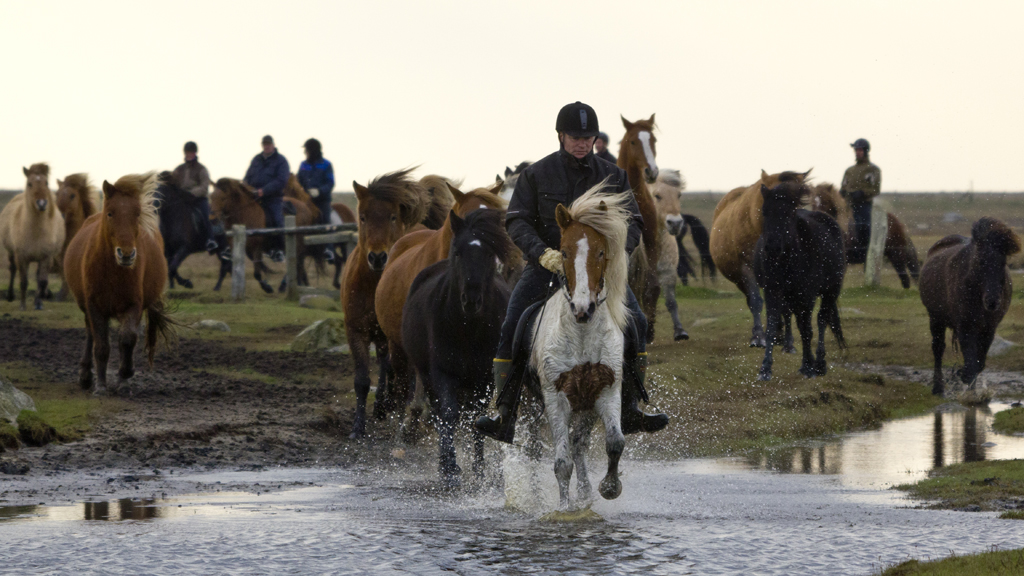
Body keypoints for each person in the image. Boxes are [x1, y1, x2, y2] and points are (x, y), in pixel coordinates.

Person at [475, 101, 669, 443]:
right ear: (561, 136)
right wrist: (542, 253)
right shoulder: (536, 174)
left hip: (597, 272)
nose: (582, 143)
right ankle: (502, 410)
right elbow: (517, 220)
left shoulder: (613, 176)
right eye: (575, 137)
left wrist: (611, 256)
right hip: (547, 266)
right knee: (513, 322)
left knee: (636, 322)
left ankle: (633, 408)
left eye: (588, 137)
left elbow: (634, 222)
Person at [243, 135, 290, 262]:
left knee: (277, 220)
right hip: (255, 198)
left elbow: (281, 180)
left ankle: (280, 249)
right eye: (265, 144)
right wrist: (245, 188)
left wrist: (264, 191)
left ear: (273, 145)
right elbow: (247, 177)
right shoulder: (256, 160)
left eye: (269, 144)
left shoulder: (281, 161)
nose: (267, 146)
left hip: (273, 199)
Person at [839, 138, 882, 262]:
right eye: (856, 150)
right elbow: (843, 186)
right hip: (848, 205)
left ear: (866, 151)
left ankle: (865, 254)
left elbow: (876, 189)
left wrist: (863, 193)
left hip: (864, 205)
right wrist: (843, 192)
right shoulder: (849, 170)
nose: (857, 152)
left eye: (859, 150)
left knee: (863, 226)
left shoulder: (873, 169)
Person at [171, 141, 218, 253]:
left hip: (198, 199)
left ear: (195, 153)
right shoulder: (179, 169)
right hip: (182, 200)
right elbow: (173, 183)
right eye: (187, 152)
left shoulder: (201, 169)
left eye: (191, 152)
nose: (189, 154)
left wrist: (192, 193)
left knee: (206, 216)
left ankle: (211, 240)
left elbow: (204, 186)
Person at [297, 138, 337, 263]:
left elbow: (330, 183)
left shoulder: (326, 164)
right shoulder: (303, 165)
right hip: (307, 201)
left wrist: (319, 191)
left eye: (306, 150)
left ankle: (329, 249)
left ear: (312, 150)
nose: (305, 152)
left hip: (322, 201)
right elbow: (299, 181)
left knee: (325, 220)